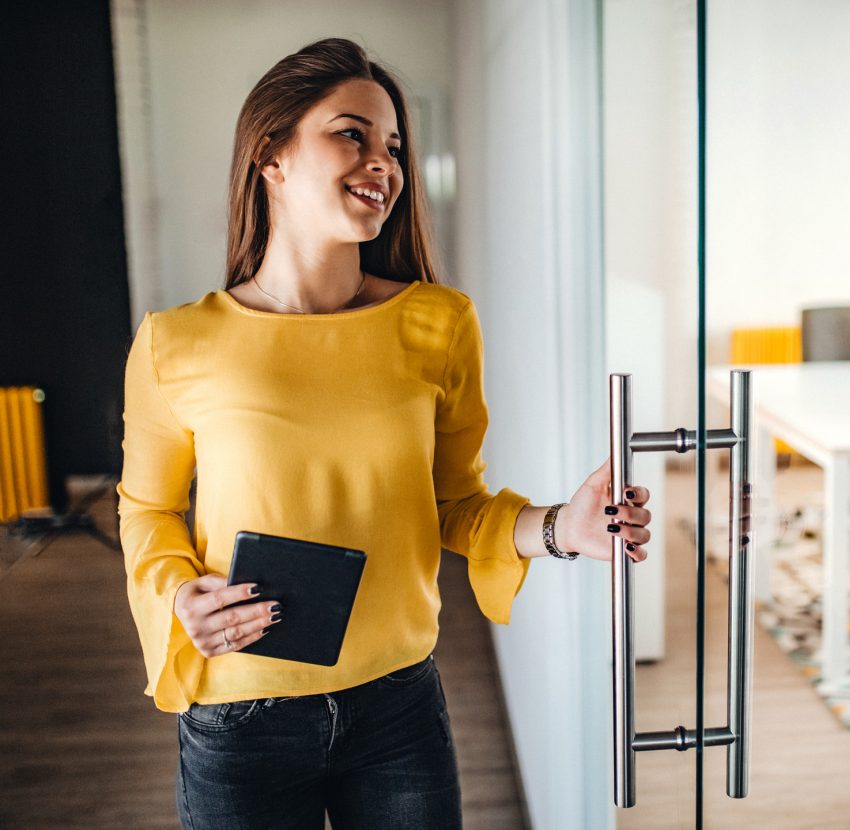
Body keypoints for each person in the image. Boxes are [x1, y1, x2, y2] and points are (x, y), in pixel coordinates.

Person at [116, 36, 652, 829]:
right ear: (271, 155)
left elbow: (456, 503)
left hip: (398, 706)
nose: (384, 164)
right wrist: (174, 599)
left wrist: (562, 530)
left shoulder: (438, 322)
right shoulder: (175, 342)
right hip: (242, 714)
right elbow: (144, 511)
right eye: (352, 134)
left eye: (394, 145)